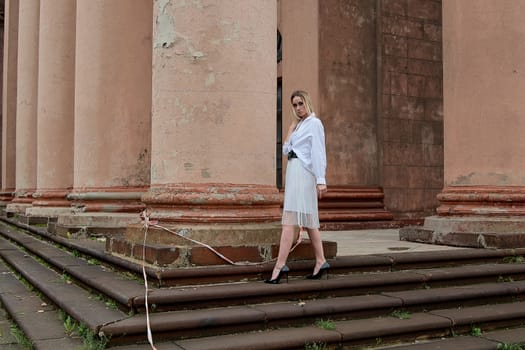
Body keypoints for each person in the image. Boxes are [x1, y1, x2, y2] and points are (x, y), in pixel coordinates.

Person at [265, 90, 329, 284]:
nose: (298, 108)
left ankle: (279, 266)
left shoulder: (314, 124)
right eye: (294, 105)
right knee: (309, 219)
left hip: (303, 173)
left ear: (307, 102)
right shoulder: (299, 124)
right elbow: (286, 150)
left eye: (300, 103)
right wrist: (290, 130)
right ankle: (321, 260)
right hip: (293, 171)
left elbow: (319, 152)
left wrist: (321, 179)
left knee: (289, 220)